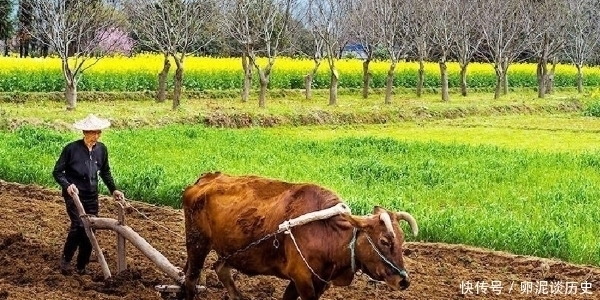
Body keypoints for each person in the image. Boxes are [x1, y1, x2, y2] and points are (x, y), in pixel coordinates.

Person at [52, 114, 125, 275]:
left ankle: (82, 265)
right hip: (74, 195)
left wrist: (114, 189)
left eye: (99, 132)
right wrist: (67, 185)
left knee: (90, 228)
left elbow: (105, 172)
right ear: (85, 132)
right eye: (94, 133)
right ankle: (66, 260)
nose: (97, 136)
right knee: (78, 226)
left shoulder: (102, 149)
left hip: (92, 195)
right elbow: (57, 172)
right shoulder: (71, 149)